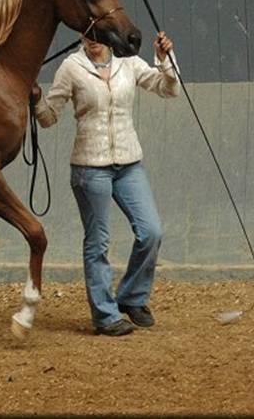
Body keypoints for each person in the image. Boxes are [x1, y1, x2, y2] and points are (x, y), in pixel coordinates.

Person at [32, 31, 178, 336]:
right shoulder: (71, 67)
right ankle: (105, 316)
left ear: (110, 34)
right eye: (87, 34)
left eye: (98, 33)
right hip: (89, 167)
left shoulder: (128, 62)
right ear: (80, 36)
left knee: (151, 231)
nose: (92, 39)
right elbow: (48, 117)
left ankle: (132, 297)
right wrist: (34, 98)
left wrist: (164, 59)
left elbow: (167, 88)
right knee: (98, 242)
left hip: (129, 163)